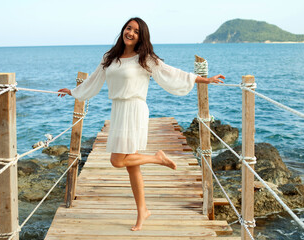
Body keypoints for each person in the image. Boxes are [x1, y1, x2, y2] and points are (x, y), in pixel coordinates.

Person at [58, 17, 225, 231]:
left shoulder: (145, 58)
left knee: (117, 161)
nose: (131, 33)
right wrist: (73, 92)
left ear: (141, 36)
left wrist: (204, 79)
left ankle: (157, 158)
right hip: (118, 110)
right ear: (123, 30)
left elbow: (171, 73)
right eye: (129, 28)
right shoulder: (110, 57)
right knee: (131, 166)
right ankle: (142, 210)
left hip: (135, 109)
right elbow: (93, 80)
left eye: (136, 31)